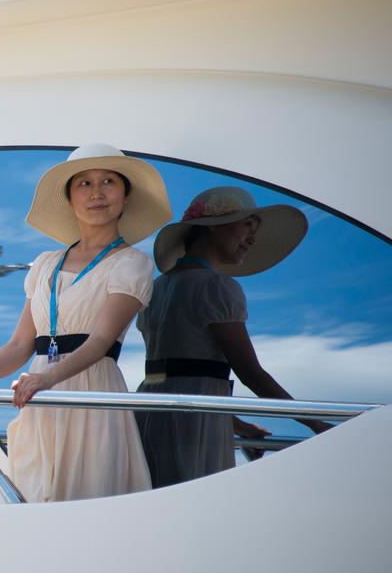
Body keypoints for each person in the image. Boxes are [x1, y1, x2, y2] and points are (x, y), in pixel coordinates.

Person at [0, 143, 171, 502]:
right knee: (36, 501)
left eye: (108, 181)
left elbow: (101, 341)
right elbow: (19, 346)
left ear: (125, 196)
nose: (97, 193)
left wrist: (46, 378)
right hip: (40, 395)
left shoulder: (131, 263)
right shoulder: (45, 263)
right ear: (70, 199)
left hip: (91, 394)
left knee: (88, 504)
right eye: (84, 184)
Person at [135, 186, 332, 488]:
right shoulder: (217, 288)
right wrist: (318, 425)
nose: (252, 238)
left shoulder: (155, 289)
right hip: (194, 420)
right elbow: (250, 373)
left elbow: (173, 372)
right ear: (213, 228)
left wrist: (237, 425)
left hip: (149, 409)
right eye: (246, 226)